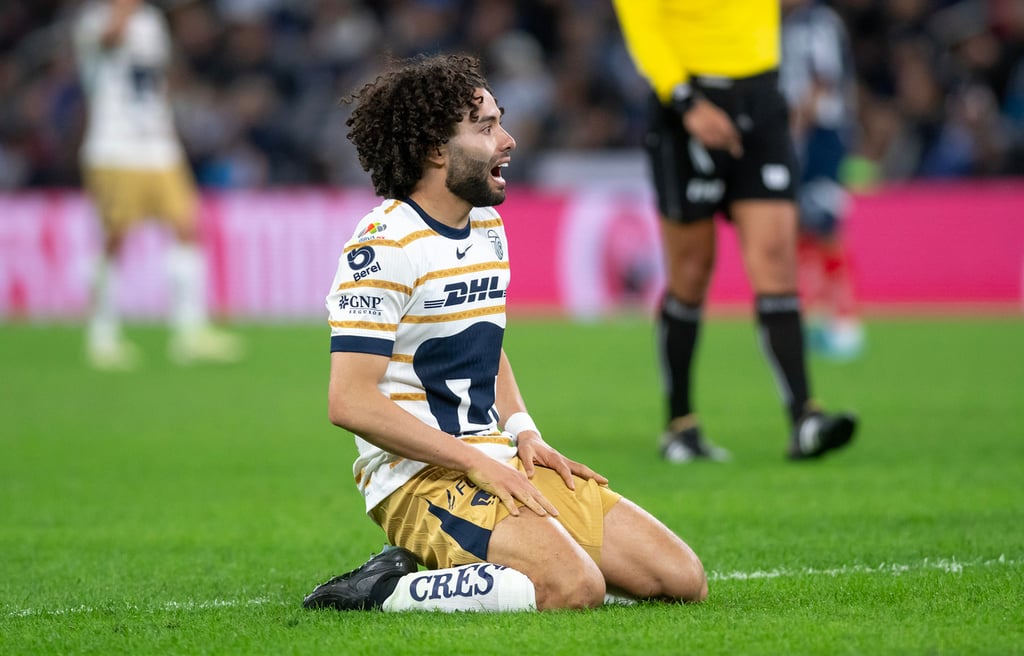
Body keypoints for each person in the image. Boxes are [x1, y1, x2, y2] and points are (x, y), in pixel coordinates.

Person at [303, 54, 707, 613]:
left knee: (682, 579)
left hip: (496, 461)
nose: (508, 140)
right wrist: (475, 462)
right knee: (574, 589)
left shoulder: (487, 224)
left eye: (500, 121)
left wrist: (523, 433)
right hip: (419, 479)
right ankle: (384, 590)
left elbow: (484, 341)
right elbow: (349, 401)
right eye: (486, 128)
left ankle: (514, 561)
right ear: (435, 150)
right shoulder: (383, 246)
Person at [610, 0, 857, 462]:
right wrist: (685, 101)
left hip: (761, 97)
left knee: (776, 260)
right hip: (687, 102)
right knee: (691, 271)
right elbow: (643, 27)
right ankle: (680, 424)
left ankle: (805, 417)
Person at [73, 0, 242, 370]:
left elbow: (158, 79)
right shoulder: (93, 20)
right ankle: (102, 335)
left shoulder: (150, 21)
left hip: (159, 147)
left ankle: (190, 332)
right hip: (114, 147)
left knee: (186, 227)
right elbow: (111, 37)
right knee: (115, 237)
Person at [780, 0, 865, 361]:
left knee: (825, 225)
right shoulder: (792, 22)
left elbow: (823, 79)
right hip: (806, 134)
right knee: (801, 227)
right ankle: (818, 314)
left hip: (821, 135)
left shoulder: (816, 23)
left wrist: (797, 128)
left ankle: (846, 323)